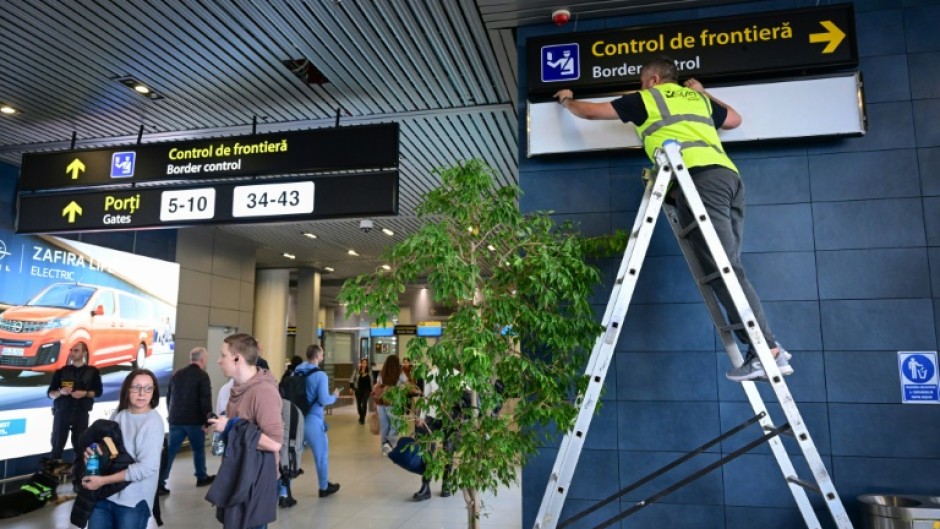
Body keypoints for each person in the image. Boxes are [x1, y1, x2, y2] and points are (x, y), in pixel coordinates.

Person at [553, 56, 792, 382]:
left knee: (723, 270)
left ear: (652, 79)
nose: (639, 87)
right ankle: (766, 349)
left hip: (698, 180)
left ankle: (767, 351)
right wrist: (704, 92)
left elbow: (590, 112)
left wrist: (566, 99)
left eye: (640, 81)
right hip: (728, 180)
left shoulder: (648, 98)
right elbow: (734, 120)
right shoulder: (696, 98)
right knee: (727, 267)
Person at [207, 333, 283, 529]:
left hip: (255, 480)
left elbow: (275, 443)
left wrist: (231, 426)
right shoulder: (238, 388)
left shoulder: (263, 391)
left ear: (237, 358)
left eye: (223, 355)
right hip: (239, 472)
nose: (218, 360)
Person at [81, 369, 164, 529]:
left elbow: (146, 468)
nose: (142, 393)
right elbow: (109, 450)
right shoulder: (119, 415)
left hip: (132, 502)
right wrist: (94, 454)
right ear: (127, 389)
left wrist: (103, 481)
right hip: (105, 496)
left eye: (148, 388)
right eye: (136, 387)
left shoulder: (153, 423)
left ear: (154, 392)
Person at [159, 347, 215, 496]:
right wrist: (208, 421)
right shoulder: (202, 376)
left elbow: (169, 397)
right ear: (202, 360)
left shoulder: (177, 374)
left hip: (176, 420)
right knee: (198, 450)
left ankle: (160, 482)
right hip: (194, 421)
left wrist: (171, 414)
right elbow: (205, 401)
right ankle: (201, 477)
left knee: (170, 451)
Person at [294, 344, 341, 498]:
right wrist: (334, 395)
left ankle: (282, 491)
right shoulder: (321, 375)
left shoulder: (298, 369)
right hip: (313, 419)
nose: (323, 356)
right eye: (322, 354)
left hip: (297, 418)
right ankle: (323, 486)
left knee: (291, 456)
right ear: (317, 356)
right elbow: (323, 399)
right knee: (321, 455)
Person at [47, 343, 103, 464]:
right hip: (62, 413)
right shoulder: (61, 372)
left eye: (76, 351)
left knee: (81, 449)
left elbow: (98, 392)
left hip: (81, 414)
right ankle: (51, 478)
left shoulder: (93, 372)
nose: (72, 353)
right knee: (56, 447)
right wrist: (60, 392)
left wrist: (85, 393)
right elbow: (50, 394)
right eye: (71, 350)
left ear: (84, 354)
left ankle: (80, 477)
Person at [373, 354, 408, 455]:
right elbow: (407, 384)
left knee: (385, 426)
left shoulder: (382, 373)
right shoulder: (400, 372)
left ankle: (385, 448)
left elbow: (378, 385)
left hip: (381, 403)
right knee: (396, 425)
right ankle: (388, 444)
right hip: (393, 403)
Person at [349, 358, 373, 425]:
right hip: (358, 389)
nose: (364, 364)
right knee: (359, 405)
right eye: (363, 363)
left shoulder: (369, 371)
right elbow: (352, 379)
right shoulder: (357, 371)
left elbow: (371, 381)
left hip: (367, 390)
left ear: (367, 364)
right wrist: (351, 387)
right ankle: (361, 415)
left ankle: (363, 418)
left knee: (364, 403)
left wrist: (371, 390)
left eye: (365, 363)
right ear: (361, 363)